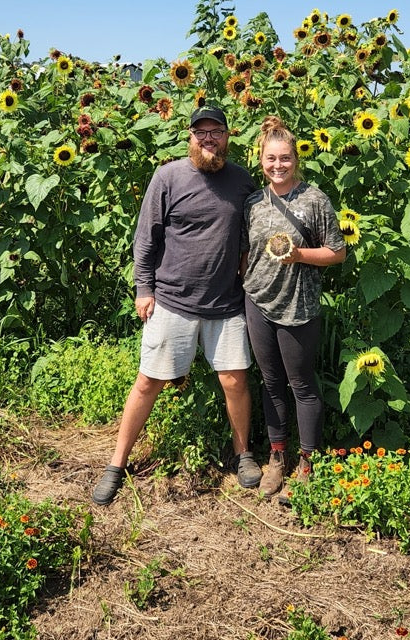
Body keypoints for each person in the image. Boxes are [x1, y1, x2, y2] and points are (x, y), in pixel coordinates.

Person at [92, 106, 262, 505]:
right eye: (200, 132)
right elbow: (146, 237)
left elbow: (250, 235)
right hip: (172, 300)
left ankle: (244, 455)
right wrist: (143, 289)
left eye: (216, 131)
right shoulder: (168, 177)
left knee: (235, 382)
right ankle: (116, 464)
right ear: (190, 137)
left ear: (226, 137)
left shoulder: (241, 180)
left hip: (226, 302)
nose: (208, 139)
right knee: (149, 381)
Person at [242, 116, 347, 501]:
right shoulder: (253, 202)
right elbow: (245, 254)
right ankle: (277, 457)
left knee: (302, 385)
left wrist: (299, 254)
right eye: (271, 159)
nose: (278, 166)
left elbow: (338, 253)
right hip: (257, 302)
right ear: (261, 159)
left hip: (299, 307)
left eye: (285, 158)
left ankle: (307, 462)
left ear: (295, 158)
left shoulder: (314, 200)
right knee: (270, 384)